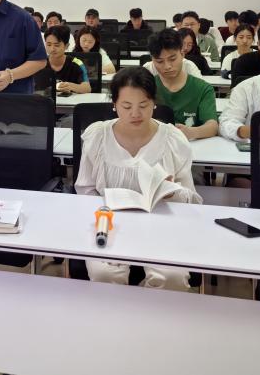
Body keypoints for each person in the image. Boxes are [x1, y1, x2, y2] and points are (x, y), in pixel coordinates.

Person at [75, 67, 201, 289]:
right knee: (105, 272)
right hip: (110, 222)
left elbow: (191, 198)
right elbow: (85, 189)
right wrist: (103, 212)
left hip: (161, 223)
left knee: (172, 275)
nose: (135, 113)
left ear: (154, 103)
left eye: (143, 105)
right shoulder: (98, 136)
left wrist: (171, 192)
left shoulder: (172, 139)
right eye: (126, 106)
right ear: (114, 104)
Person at [147, 29, 218, 141]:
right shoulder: (146, 87)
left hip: (193, 146)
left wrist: (192, 132)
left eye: (172, 59)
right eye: (159, 61)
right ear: (152, 60)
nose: (167, 66)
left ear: (182, 54)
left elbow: (212, 126)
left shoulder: (203, 89)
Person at [44, 26, 91, 94]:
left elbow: (87, 88)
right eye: (49, 45)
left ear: (66, 46)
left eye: (57, 45)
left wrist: (71, 86)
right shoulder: (40, 64)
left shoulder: (77, 63)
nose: (52, 49)